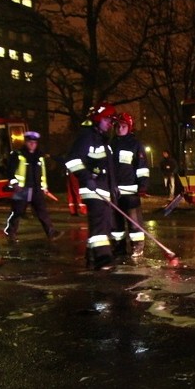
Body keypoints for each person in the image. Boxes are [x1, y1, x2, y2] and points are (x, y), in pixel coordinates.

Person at [65, 103, 118, 269]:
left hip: (104, 189)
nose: (110, 123)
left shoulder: (102, 140)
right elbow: (72, 160)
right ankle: (103, 258)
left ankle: (91, 256)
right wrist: (86, 177)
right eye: (107, 119)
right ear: (98, 119)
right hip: (92, 189)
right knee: (100, 224)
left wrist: (114, 187)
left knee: (103, 224)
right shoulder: (87, 137)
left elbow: (107, 168)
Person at [3, 131, 62, 243]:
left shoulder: (39, 156)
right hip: (22, 188)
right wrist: (15, 184)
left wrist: (44, 187)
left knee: (42, 211)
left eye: (34, 143)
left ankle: (51, 233)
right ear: (25, 142)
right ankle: (10, 232)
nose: (32, 145)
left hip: (36, 188)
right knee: (18, 211)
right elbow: (10, 171)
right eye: (30, 142)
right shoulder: (18, 155)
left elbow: (42, 173)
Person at [110, 112, 149, 258]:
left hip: (131, 192)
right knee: (115, 225)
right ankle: (118, 247)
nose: (120, 129)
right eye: (117, 126)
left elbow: (142, 167)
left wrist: (143, 185)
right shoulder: (110, 145)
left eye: (123, 126)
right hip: (113, 192)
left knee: (134, 224)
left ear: (129, 127)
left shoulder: (135, 144)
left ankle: (137, 247)